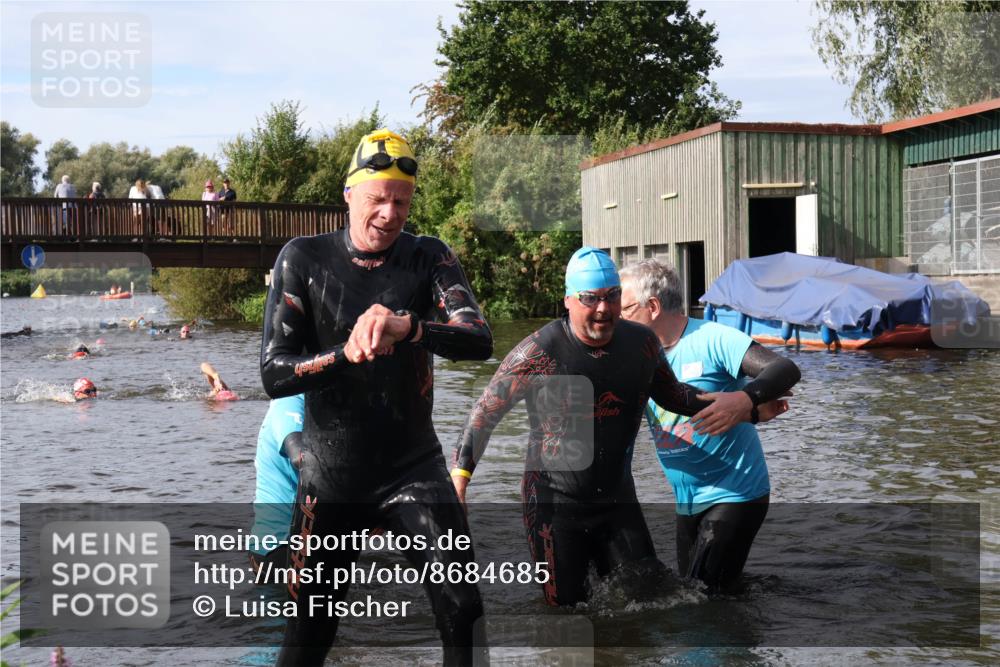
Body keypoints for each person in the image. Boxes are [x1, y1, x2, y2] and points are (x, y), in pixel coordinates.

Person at [260, 128, 492, 666]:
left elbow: (477, 337)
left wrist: (408, 328)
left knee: (465, 607)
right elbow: (274, 373)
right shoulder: (304, 259)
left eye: (401, 202)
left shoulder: (428, 257)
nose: (389, 214)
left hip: (413, 466)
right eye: (377, 199)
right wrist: (347, 354)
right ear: (348, 195)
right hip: (332, 475)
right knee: (310, 629)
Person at [451, 247, 757, 608]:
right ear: (567, 300)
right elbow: (484, 414)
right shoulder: (539, 352)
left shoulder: (641, 344)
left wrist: (744, 405)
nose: (603, 309)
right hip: (554, 505)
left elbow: (675, 396)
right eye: (590, 298)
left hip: (617, 502)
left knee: (651, 605)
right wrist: (459, 481)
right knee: (566, 616)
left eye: (612, 297)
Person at [619, 259, 800, 593]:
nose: (616, 321)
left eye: (623, 310)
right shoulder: (635, 357)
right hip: (686, 501)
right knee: (698, 594)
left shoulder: (712, 338)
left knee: (700, 601)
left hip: (736, 492)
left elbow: (784, 369)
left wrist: (745, 400)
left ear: (653, 307)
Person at [249, 394, 305, 570]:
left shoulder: (327, 405)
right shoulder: (290, 401)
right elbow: (300, 457)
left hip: (315, 539)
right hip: (278, 546)